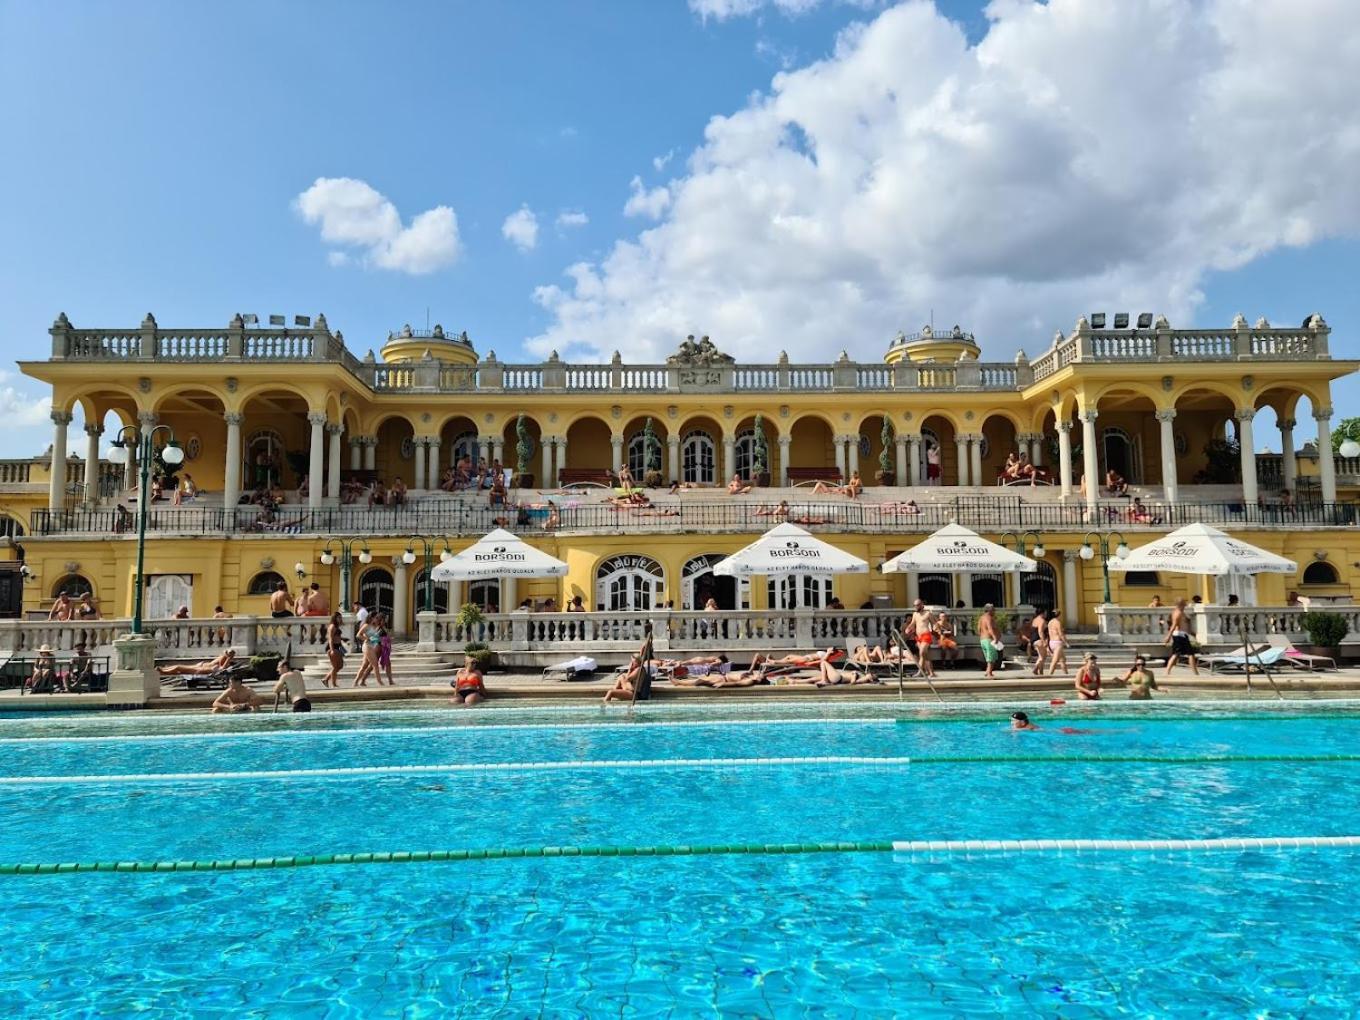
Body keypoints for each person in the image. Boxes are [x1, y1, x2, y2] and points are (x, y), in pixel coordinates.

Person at [1164, 597, 1199, 676]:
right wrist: (1168, 636)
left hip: (1183, 635)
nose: (1185, 605)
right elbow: (1174, 625)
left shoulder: (1181, 612)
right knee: (1187, 654)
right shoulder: (1178, 613)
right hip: (1179, 635)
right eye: (1184, 603)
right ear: (1181, 604)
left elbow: (1184, 624)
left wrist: (1191, 632)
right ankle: (1195, 673)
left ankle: (1167, 671)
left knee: (1177, 654)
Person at [158, 648, 236, 676]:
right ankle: (165, 669)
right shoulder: (221, 660)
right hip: (200, 666)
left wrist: (229, 658)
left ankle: (163, 671)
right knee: (179, 667)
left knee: (179, 668)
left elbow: (223, 668)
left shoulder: (222, 667)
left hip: (199, 669)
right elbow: (226, 652)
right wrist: (228, 656)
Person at [352, 615, 381, 687]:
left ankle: (356, 682)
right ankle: (380, 682)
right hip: (367, 646)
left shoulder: (374, 626)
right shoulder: (366, 626)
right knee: (375, 664)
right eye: (375, 617)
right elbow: (358, 635)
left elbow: (375, 637)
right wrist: (366, 638)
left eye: (377, 618)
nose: (376, 619)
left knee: (364, 666)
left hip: (372, 646)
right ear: (371, 618)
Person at [910, 600, 937, 679]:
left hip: (926, 635)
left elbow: (934, 623)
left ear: (922, 605)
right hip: (919, 637)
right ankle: (931, 672)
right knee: (925, 655)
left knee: (922, 652)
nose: (916, 607)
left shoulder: (928, 613)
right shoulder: (915, 614)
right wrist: (908, 628)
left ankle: (920, 672)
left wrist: (936, 628)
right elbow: (913, 623)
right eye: (914, 605)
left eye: (917, 605)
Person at [977, 604, 1003, 679]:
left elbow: (978, 629)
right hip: (989, 640)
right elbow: (990, 628)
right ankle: (989, 673)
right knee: (991, 658)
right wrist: (995, 638)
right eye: (993, 609)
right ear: (989, 610)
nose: (995, 611)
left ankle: (987, 671)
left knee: (989, 657)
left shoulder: (981, 618)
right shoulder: (988, 618)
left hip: (983, 640)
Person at [322, 611, 346, 688]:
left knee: (340, 666)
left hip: (339, 646)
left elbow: (336, 636)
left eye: (340, 617)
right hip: (333, 647)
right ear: (334, 618)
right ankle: (333, 683)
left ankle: (326, 679)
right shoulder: (332, 626)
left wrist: (342, 639)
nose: (340, 619)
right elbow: (330, 639)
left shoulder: (336, 626)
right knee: (335, 666)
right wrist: (332, 650)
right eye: (338, 618)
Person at [1045, 610, 1069, 676]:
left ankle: (1066, 674)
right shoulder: (1058, 622)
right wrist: (1066, 642)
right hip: (1057, 643)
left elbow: (1049, 633)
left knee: (1063, 659)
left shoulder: (1050, 622)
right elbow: (1060, 634)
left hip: (1051, 642)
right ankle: (1049, 675)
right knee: (1055, 661)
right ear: (1059, 615)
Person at [1029, 609, 1050, 675]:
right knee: (1042, 657)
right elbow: (1040, 631)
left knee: (1042, 656)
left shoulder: (1034, 620)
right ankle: (1035, 668)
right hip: (1039, 640)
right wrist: (1044, 641)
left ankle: (1041, 671)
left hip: (1033, 639)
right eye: (1045, 613)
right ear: (1042, 613)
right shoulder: (1042, 620)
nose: (1046, 615)